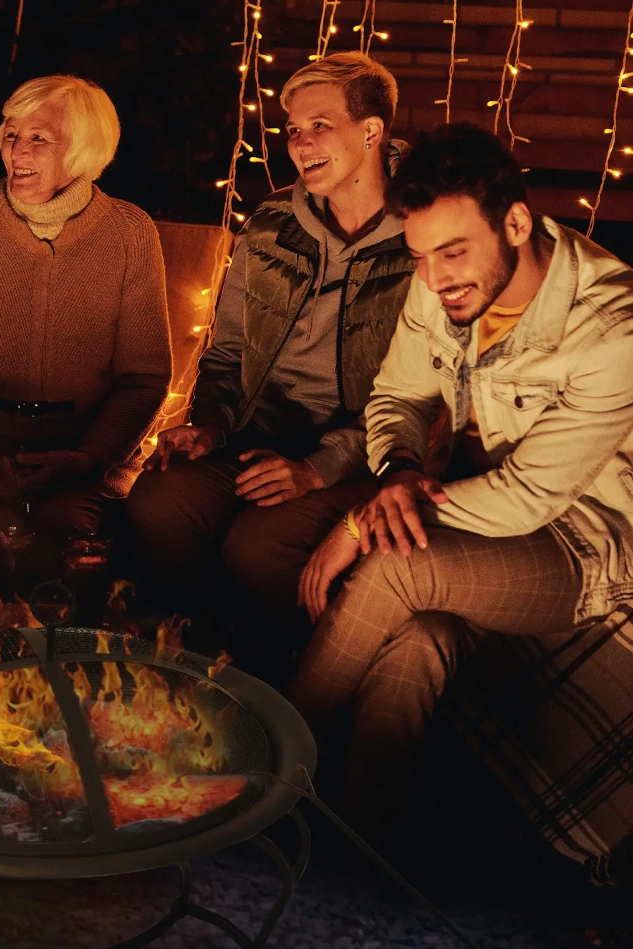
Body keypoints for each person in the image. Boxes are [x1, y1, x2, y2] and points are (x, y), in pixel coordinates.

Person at [289, 122, 633, 840]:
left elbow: (528, 497)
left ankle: (254, 766)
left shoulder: (612, 327)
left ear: (515, 221)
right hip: (476, 515)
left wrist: (358, 524)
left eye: (452, 251)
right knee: (421, 640)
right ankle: (356, 847)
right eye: (418, 256)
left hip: (588, 541)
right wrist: (399, 471)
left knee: (392, 568)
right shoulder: (440, 287)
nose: (434, 276)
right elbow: (397, 398)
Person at [127, 53, 413, 665]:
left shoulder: (424, 236)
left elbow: (420, 394)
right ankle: (188, 657)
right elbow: (227, 350)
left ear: (371, 131)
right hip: (255, 437)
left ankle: (283, 680)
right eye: (293, 130)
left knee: (258, 546)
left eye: (320, 125)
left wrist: (318, 468)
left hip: (357, 452)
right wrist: (210, 424)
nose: (301, 144)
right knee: (158, 503)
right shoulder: (272, 223)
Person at [0, 74, 172, 567]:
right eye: (12, 133)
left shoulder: (131, 234)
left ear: (84, 150)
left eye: (38, 138)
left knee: (62, 551)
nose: (15, 150)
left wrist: (88, 458)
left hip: (79, 463)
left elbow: (144, 376)